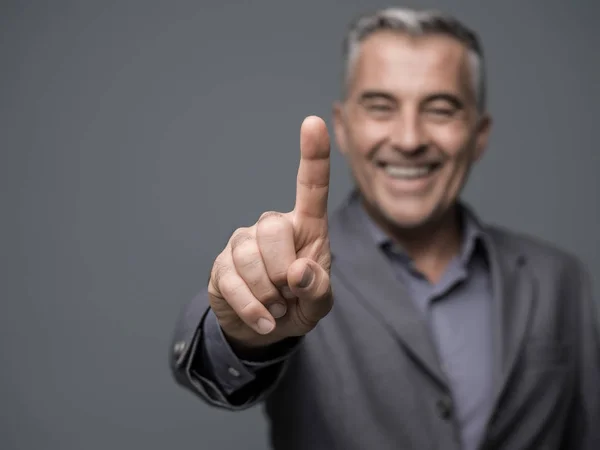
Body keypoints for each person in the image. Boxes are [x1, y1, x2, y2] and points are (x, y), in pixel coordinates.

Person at [169, 7, 600, 450]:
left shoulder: (560, 280)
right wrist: (243, 331)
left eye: (441, 109)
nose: (409, 139)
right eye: (380, 107)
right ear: (343, 126)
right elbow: (205, 354)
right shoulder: (291, 273)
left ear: (479, 133)